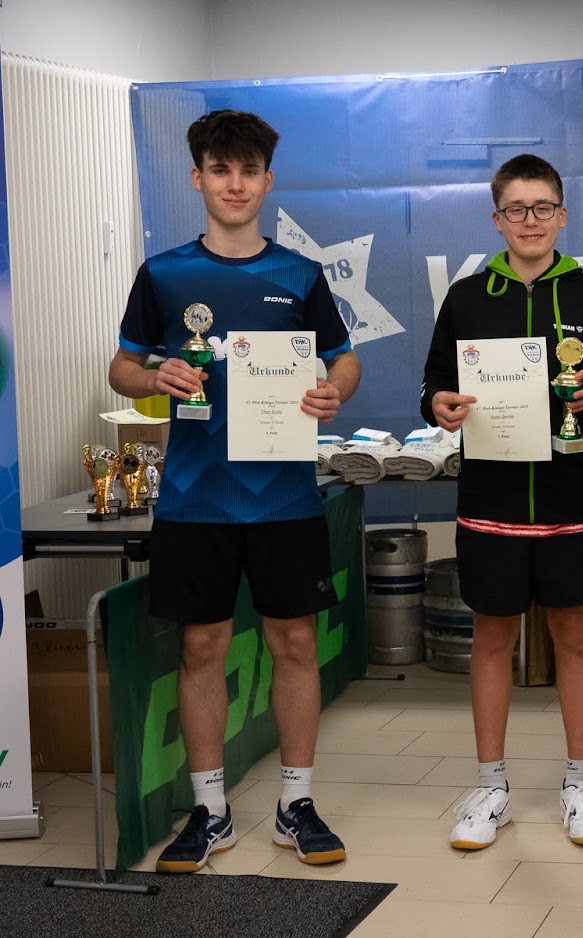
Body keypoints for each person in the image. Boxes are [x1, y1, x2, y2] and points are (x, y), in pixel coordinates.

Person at [108, 109, 361, 873]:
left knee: (295, 643)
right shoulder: (163, 274)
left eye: (249, 171)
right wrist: (153, 377)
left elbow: (343, 358)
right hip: (195, 497)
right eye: (221, 170)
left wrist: (335, 391)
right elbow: (121, 367)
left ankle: (296, 804)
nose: (235, 184)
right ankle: (210, 811)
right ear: (198, 178)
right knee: (202, 647)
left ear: (267, 181)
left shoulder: (300, 275)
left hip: (284, 496)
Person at [420, 154, 583, 850]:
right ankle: (491, 786)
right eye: (516, 209)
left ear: (562, 215)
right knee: (493, 638)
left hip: (573, 498)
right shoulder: (467, 297)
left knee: (576, 636)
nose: (531, 220)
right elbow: (433, 381)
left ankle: (580, 783)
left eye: (543, 207)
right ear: (497, 219)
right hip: (491, 499)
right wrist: (440, 403)